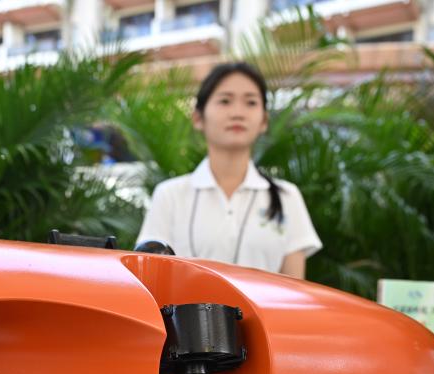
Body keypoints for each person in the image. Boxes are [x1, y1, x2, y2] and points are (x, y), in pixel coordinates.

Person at [135, 62, 322, 279]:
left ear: (264, 120)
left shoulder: (286, 197)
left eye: (251, 102)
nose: (237, 113)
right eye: (225, 101)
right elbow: (151, 276)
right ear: (198, 118)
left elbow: (295, 287)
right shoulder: (170, 195)